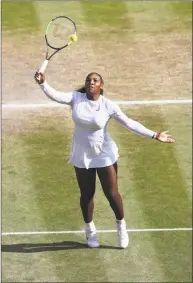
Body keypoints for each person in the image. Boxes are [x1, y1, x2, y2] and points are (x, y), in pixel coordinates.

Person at [34, 71, 175, 249]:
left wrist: (154, 135)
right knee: (87, 195)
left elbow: (129, 123)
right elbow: (55, 95)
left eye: (95, 80)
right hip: (81, 154)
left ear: (101, 86)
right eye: (88, 80)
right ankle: (90, 230)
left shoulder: (109, 106)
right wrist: (43, 83)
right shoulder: (76, 97)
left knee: (112, 194)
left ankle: (121, 226)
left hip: (104, 154)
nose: (91, 82)